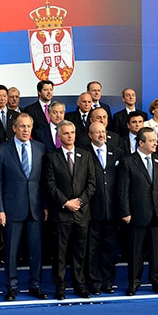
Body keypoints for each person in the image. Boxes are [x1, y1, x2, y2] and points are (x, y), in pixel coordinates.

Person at [0, 113, 48, 301]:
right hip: (11, 209)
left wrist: (46, 206)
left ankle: (35, 285)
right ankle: (12, 287)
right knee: (11, 252)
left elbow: (44, 182)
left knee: (36, 251)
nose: (25, 130)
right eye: (22, 126)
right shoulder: (2, 150)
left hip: (36, 208)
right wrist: (0, 209)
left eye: (28, 126)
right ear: (14, 128)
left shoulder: (41, 148)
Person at [44, 120, 96, 300]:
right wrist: (66, 203)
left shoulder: (86, 155)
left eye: (72, 133)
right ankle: (60, 286)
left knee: (79, 252)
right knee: (60, 253)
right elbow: (50, 185)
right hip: (62, 213)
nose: (69, 136)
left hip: (82, 213)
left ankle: (79, 284)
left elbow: (92, 183)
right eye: (66, 133)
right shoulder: (52, 157)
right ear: (59, 136)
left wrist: (80, 201)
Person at [118, 127, 158, 296]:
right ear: (141, 143)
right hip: (136, 215)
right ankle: (134, 283)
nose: (155, 143)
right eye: (151, 140)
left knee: (155, 252)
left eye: (155, 140)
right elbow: (123, 189)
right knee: (135, 252)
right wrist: (125, 212)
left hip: (156, 214)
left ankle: (157, 281)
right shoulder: (128, 161)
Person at [86, 121, 124, 295]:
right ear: (90, 135)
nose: (101, 135)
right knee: (92, 250)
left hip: (113, 210)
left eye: (103, 132)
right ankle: (94, 283)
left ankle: (108, 282)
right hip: (92, 210)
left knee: (110, 249)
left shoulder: (117, 153)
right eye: (97, 132)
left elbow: (122, 183)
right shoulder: (84, 154)